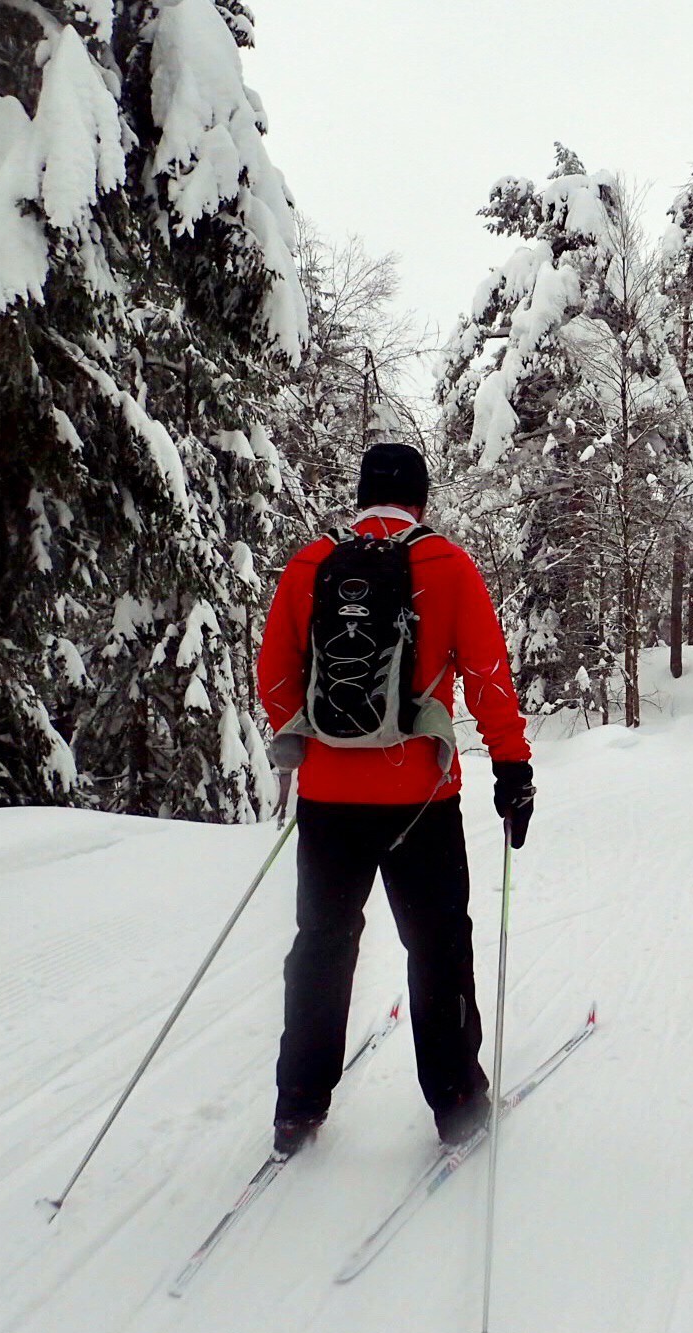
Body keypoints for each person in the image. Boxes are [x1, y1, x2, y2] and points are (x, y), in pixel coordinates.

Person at [255, 441, 534, 1156]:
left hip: (327, 801)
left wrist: (314, 740)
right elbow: (487, 675)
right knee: (437, 946)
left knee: (321, 945)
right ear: (421, 497)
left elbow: (276, 676)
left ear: (359, 495)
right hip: (422, 800)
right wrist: (512, 766)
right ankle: (458, 1104)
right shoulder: (446, 563)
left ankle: (297, 1108)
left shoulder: (311, 563)